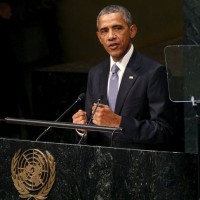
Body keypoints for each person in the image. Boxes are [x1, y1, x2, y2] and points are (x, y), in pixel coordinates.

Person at [72, 5, 175, 150]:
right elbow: (96, 129)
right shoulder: (96, 73)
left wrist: (119, 122)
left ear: (132, 31)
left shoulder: (153, 72)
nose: (111, 36)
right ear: (99, 37)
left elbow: (164, 131)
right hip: (103, 166)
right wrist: (82, 129)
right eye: (104, 31)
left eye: (118, 28)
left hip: (139, 166)